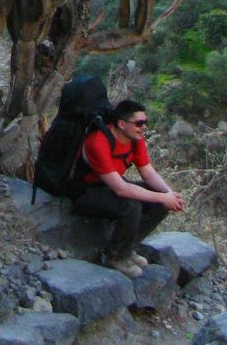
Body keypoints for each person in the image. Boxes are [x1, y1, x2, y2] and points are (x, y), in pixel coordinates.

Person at [70, 98, 184, 277]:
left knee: (159, 200)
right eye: (139, 123)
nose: (143, 127)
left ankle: (127, 248)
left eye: (145, 122)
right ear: (121, 124)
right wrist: (163, 197)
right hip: (85, 192)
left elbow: (147, 172)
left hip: (109, 185)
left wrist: (169, 194)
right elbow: (121, 189)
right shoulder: (98, 142)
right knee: (131, 205)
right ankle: (115, 257)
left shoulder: (135, 139)